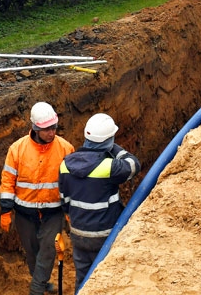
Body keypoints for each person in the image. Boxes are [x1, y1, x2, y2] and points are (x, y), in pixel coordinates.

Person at [58, 113, 141, 291]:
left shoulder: (65, 165)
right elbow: (134, 164)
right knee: (106, 281)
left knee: (83, 279)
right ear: (109, 139)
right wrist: (115, 148)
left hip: (79, 234)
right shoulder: (109, 167)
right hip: (105, 236)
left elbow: (64, 199)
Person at [0, 101, 75, 295]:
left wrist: (69, 211)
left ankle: (36, 289)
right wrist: (6, 211)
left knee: (49, 250)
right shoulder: (17, 149)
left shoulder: (65, 149)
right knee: (32, 253)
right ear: (35, 128)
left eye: (54, 127)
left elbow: (71, 183)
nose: (52, 132)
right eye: (47, 129)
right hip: (25, 213)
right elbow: (8, 181)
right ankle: (41, 280)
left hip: (53, 211)